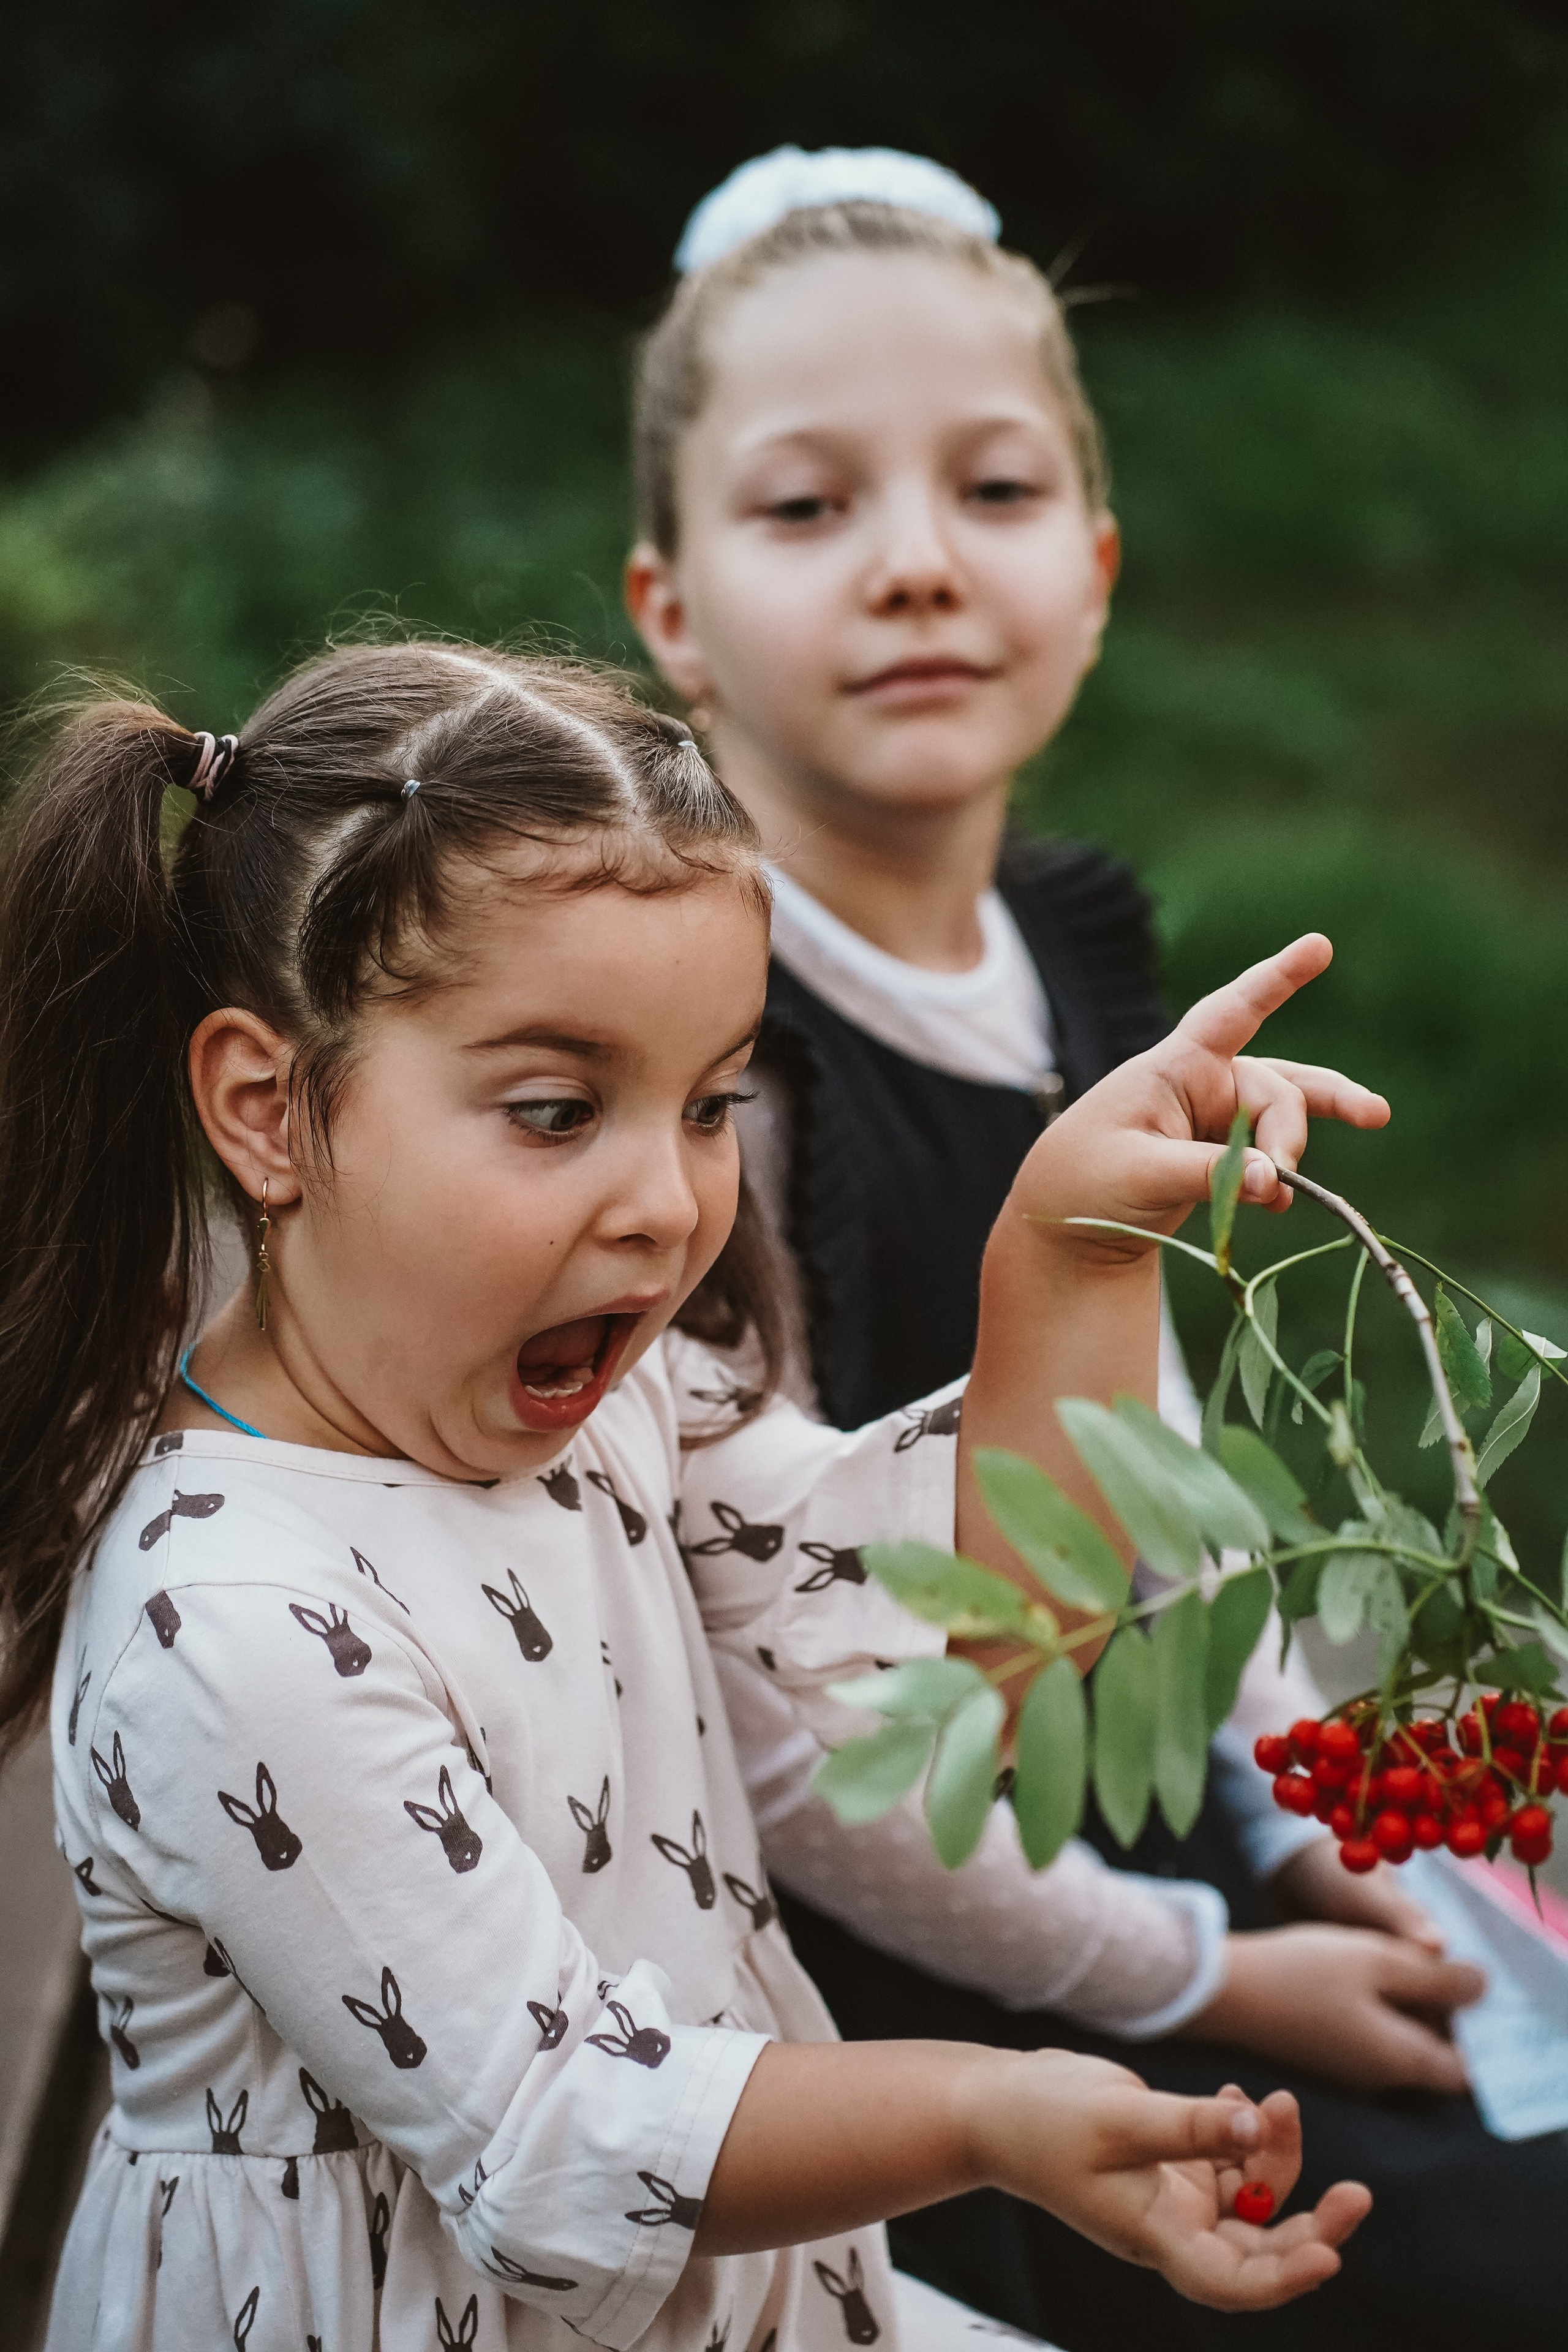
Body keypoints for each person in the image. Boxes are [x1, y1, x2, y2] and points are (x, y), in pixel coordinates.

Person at [0, 644, 1378, 2351]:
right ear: (270, 1111)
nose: (666, 1200)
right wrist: (983, 2114)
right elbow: (556, 2142)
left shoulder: (620, 1403)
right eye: (558, 1108)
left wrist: (1067, 1258)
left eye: (713, 1100)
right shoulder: (236, 1625)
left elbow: (981, 1623)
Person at [625, 149, 1568, 2348]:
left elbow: (1134, 1464)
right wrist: (1219, 1969)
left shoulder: (1072, 933)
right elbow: (799, 1734)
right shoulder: (702, 1050)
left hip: (1141, 1810)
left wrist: (1284, 1806)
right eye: (806, 509)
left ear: (1104, 566)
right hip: (916, 1969)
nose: (920, 567)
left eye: (998, 490)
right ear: (668, 608)